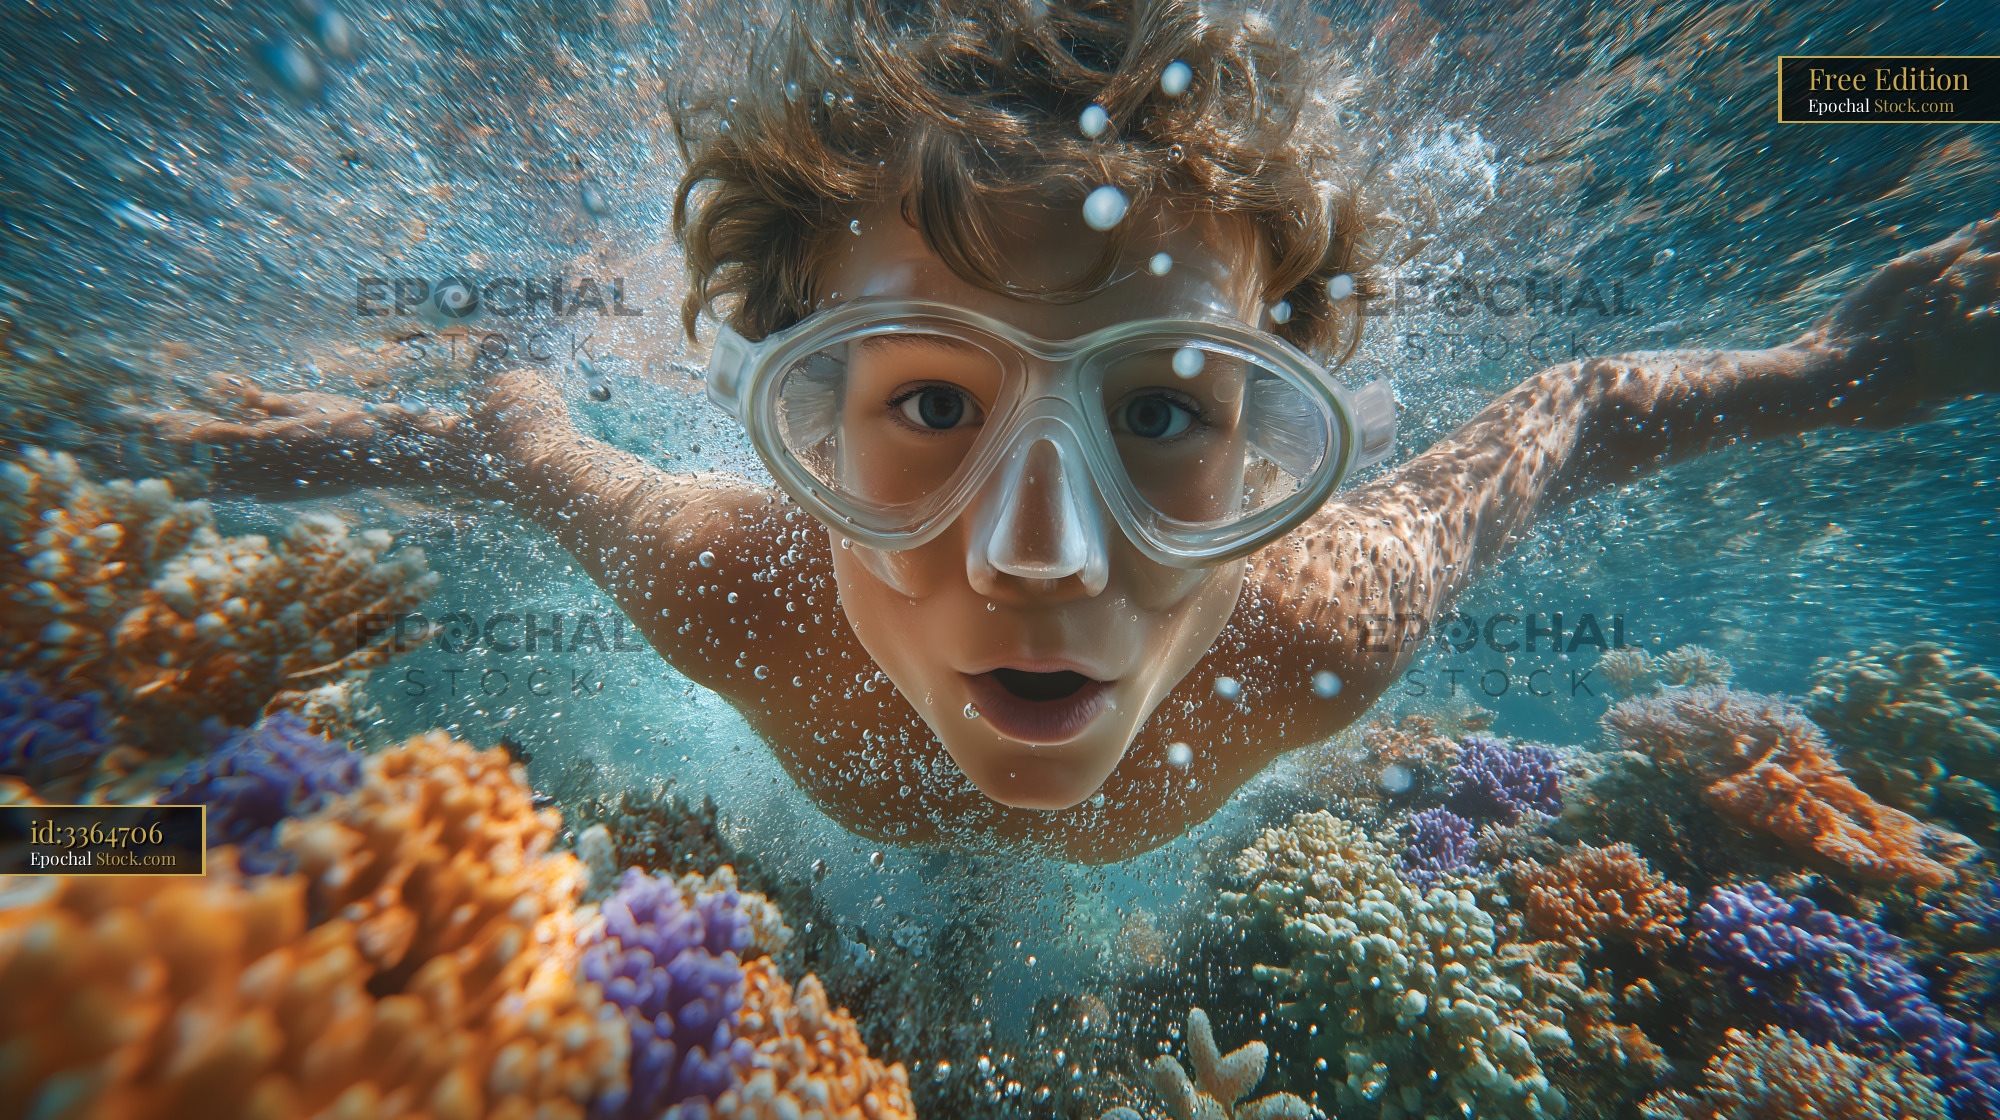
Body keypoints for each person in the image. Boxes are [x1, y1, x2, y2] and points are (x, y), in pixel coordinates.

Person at [149, 0, 1997, 862]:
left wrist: (1839, 360)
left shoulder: (1315, 618)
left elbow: (1572, 410)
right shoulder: (729, 583)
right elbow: (525, 428)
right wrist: (365, 435)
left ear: (1281, 448)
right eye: (929, 404)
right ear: (797, 419)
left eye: (1174, 414)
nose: (1043, 552)